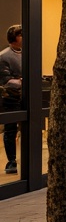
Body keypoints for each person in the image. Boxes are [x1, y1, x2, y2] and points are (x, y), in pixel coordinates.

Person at [0, 24, 23, 175]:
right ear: (14, 38)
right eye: (21, 35)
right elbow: (5, 80)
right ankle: (11, 161)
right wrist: (21, 81)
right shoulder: (3, 56)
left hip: (27, 97)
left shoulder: (28, 53)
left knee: (30, 128)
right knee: (10, 130)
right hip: (10, 98)